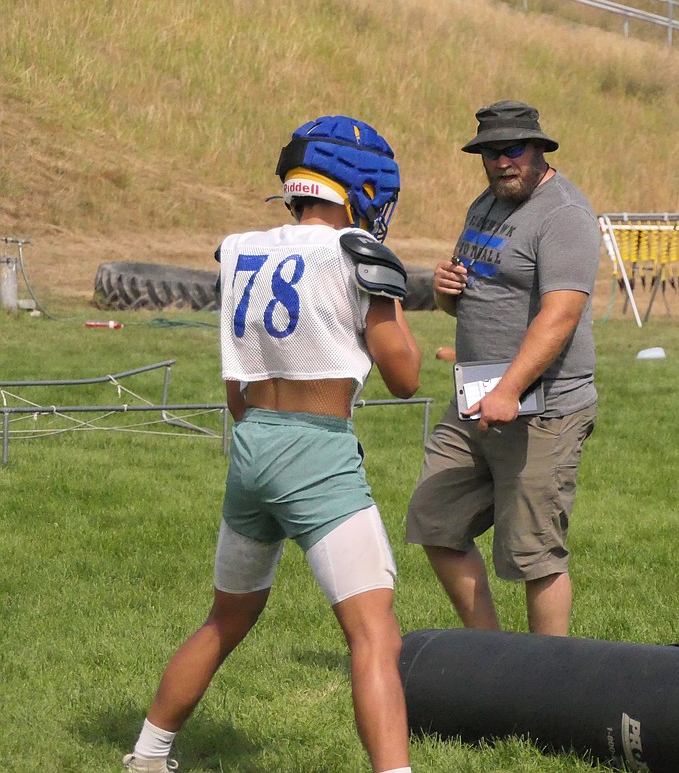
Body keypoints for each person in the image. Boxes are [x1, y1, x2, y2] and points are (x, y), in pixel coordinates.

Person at [123, 115, 422, 773]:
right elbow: (405, 379)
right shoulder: (354, 253)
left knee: (225, 618)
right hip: (316, 450)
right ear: (359, 188)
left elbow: (238, 383)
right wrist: (394, 306)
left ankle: (148, 753)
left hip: (250, 442)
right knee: (374, 634)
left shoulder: (240, 248)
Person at [405, 100, 599, 637]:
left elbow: (560, 315)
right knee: (435, 522)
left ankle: (547, 683)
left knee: (533, 555)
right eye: (489, 152)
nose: (501, 162)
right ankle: (489, 654)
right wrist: (447, 292)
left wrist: (510, 389)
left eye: (512, 149)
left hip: (544, 409)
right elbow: (478, 296)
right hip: (476, 397)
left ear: (539, 149)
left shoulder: (565, 216)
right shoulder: (485, 204)